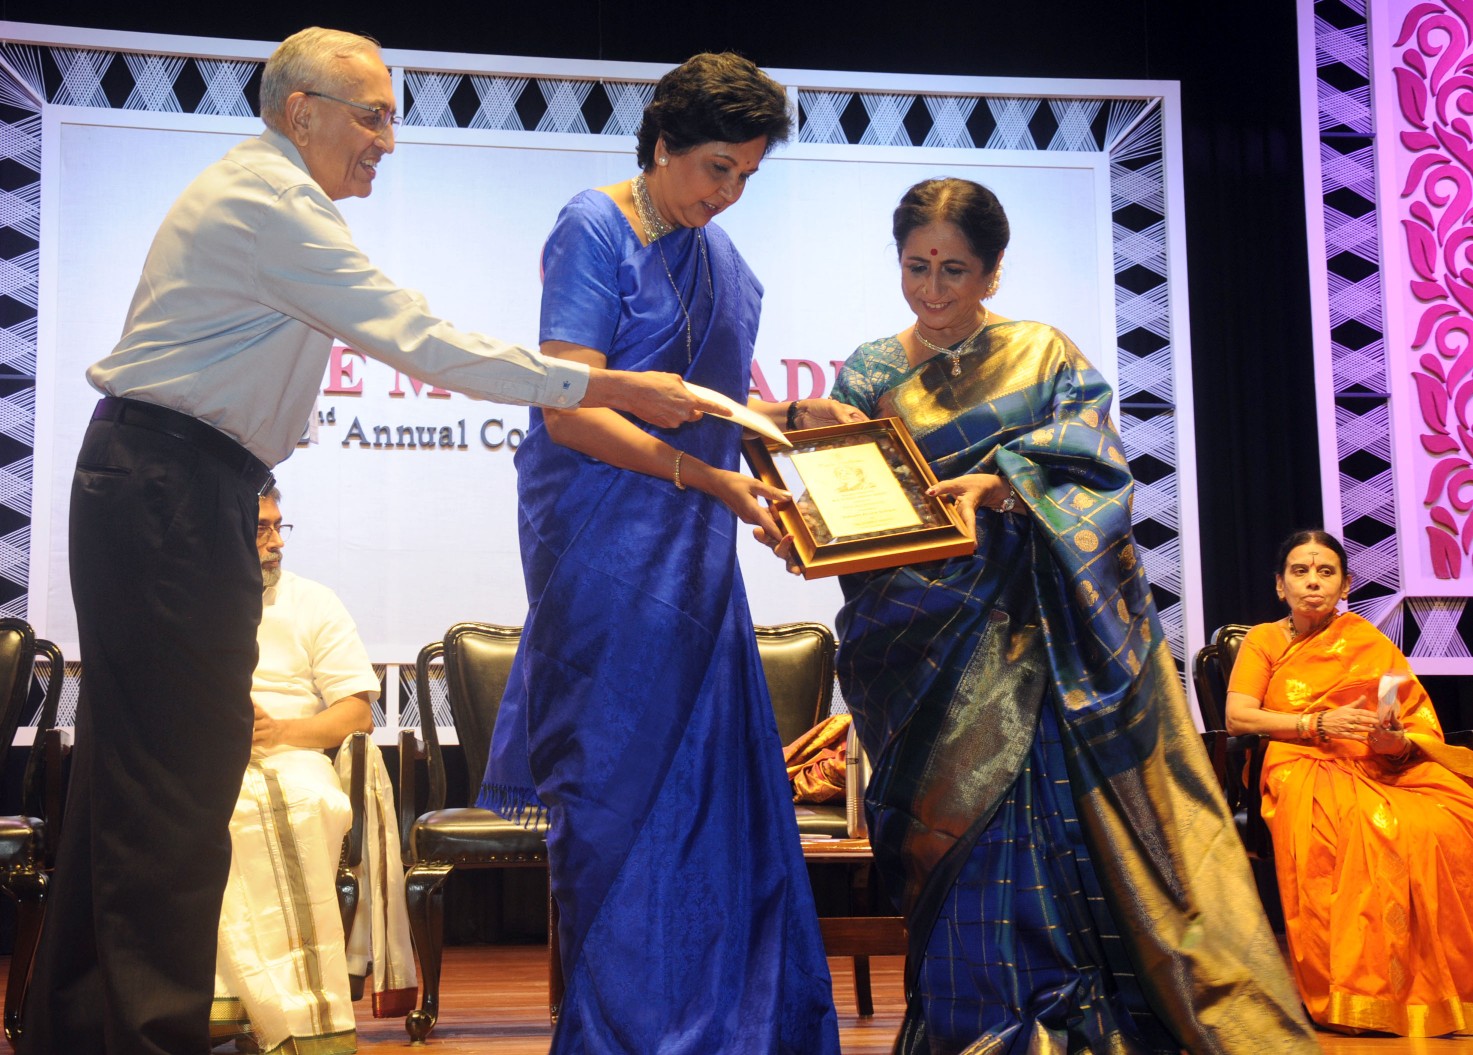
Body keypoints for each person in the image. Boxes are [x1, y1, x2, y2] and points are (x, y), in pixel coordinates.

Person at [21, 27, 723, 1055]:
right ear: (300, 111)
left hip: (167, 485)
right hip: (171, 489)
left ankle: (82, 1034)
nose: (389, 141)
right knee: (174, 799)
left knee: (134, 789)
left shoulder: (268, 195)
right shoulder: (273, 202)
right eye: (373, 115)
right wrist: (607, 383)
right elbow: (420, 338)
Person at [827, 177, 1318, 1054]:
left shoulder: (1042, 354)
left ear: (992, 271)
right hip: (915, 638)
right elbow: (850, 488)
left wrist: (1000, 485)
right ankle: (969, 1022)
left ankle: (1049, 1015)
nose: (932, 289)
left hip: (1034, 627)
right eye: (915, 266)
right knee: (950, 840)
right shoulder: (866, 371)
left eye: (953, 269)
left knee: (1032, 828)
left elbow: (1095, 469)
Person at [480, 52, 859, 1053]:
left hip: (694, 552)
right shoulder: (594, 225)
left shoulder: (717, 255)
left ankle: (731, 1028)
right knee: (618, 791)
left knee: (714, 800)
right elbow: (569, 409)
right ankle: (627, 1031)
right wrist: (706, 477)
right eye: (715, 169)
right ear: (661, 145)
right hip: (602, 548)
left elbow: (716, 405)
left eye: (746, 176)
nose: (727, 194)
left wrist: (792, 424)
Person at [1225, 529, 1473, 1037]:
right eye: (1300, 571)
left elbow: (1411, 723)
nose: (1313, 582)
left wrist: (1393, 743)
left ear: (1346, 585)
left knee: (1452, 817)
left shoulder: (1369, 642)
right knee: (1353, 823)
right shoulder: (1264, 640)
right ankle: (1351, 996)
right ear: (1280, 586)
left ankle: (1431, 991)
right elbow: (1238, 717)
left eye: (1326, 572)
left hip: (1373, 763)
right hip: (1299, 760)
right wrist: (1316, 724)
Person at [210, 490, 415, 1054]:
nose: (276, 542)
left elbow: (356, 713)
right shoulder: (189, 599)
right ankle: (222, 1008)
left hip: (294, 752)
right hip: (206, 757)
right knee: (212, 812)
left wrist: (280, 732)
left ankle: (293, 1012)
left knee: (300, 806)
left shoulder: (314, 602)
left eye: (281, 527)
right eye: (261, 529)